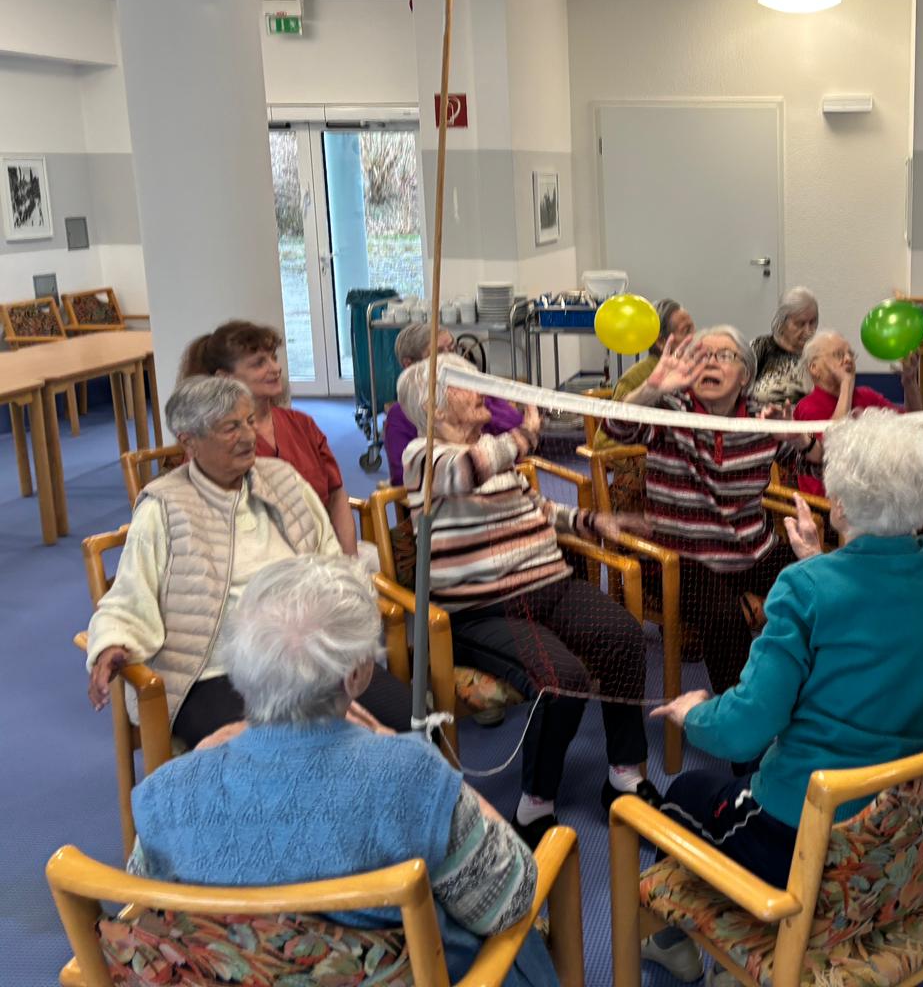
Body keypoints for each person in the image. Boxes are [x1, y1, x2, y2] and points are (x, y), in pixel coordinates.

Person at [126, 557, 556, 986]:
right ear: (357, 673)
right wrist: (426, 768)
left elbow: (145, 917)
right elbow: (511, 900)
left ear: (239, 668)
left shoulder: (166, 792)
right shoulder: (410, 777)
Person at [642, 411, 923, 981]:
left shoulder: (803, 588)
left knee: (682, 794)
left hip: (812, 835)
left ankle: (688, 944)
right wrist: (819, 562)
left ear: (838, 505)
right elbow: (871, 619)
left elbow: (746, 727)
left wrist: (693, 716)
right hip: (913, 824)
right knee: (729, 789)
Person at [397, 354, 654, 847]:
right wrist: (528, 433)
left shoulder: (492, 455)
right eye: (466, 385)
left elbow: (536, 507)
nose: (481, 393)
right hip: (485, 608)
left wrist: (591, 522)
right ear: (433, 404)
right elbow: (468, 471)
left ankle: (624, 776)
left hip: (549, 586)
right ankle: (534, 806)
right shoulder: (424, 457)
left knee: (623, 637)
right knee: (561, 681)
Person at [85, 376, 411, 747]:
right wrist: (111, 642)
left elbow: (331, 562)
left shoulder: (284, 480)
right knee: (293, 753)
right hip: (215, 670)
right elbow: (129, 595)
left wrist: (347, 624)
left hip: (308, 649)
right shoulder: (164, 506)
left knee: (409, 722)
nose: (248, 435)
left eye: (250, 421)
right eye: (230, 427)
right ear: (188, 440)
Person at [605, 327, 818, 695]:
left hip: (752, 552)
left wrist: (804, 440)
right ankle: (742, 732)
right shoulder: (671, 411)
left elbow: (817, 463)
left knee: (822, 591)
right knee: (724, 619)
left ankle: (812, 702)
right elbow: (616, 427)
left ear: (745, 376)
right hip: (681, 558)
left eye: (723, 355)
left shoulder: (762, 418)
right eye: (702, 355)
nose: (710, 362)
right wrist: (651, 388)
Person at [792, 328, 923, 617]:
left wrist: (910, 382)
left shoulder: (866, 395)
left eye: (850, 354)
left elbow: (917, 425)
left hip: (890, 501)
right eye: (838, 355)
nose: (848, 360)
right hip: (843, 510)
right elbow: (832, 445)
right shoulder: (807, 408)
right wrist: (846, 385)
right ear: (814, 368)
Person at [181, 320, 359, 556]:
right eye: (259, 364)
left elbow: (336, 495)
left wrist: (349, 561)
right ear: (225, 378)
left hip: (323, 553)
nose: (275, 368)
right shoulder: (212, 442)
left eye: (274, 358)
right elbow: (215, 531)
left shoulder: (302, 424)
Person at [384, 321, 520, 486]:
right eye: (440, 353)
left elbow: (517, 425)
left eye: (453, 349)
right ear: (410, 365)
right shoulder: (403, 414)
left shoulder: (476, 395)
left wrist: (476, 404)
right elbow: (403, 476)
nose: (453, 358)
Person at [591, 299, 695, 452]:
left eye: (694, 329)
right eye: (687, 331)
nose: (694, 337)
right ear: (661, 342)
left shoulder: (696, 372)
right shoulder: (634, 379)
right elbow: (603, 444)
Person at [749, 286, 819, 408]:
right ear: (783, 321)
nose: (808, 331)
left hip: (805, 423)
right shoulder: (760, 348)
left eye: (813, 322)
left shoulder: (821, 353)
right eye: (800, 324)